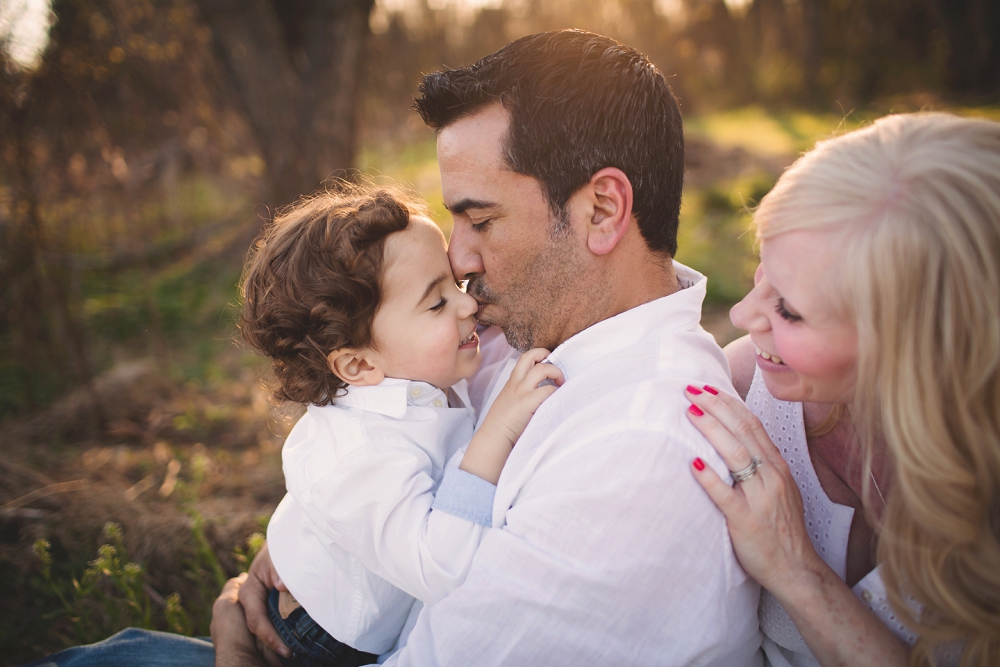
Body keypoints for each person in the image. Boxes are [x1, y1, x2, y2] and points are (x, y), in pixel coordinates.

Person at [227, 29, 762, 667]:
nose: (457, 257)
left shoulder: (636, 457)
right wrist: (311, 541)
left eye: (482, 221)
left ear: (601, 210)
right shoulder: (532, 322)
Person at [682, 113, 1000, 667]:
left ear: (919, 349)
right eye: (763, 271)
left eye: (790, 310)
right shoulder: (739, 392)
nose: (739, 315)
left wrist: (794, 570)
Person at [236, 185, 562, 666]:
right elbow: (439, 564)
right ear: (358, 366)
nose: (468, 305)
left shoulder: (412, 368)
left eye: (455, 284)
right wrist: (496, 432)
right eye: (436, 303)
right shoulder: (362, 454)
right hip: (321, 632)